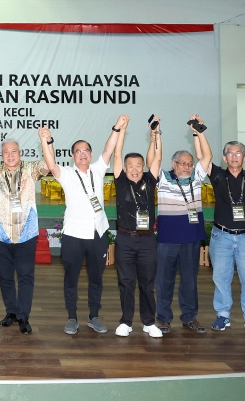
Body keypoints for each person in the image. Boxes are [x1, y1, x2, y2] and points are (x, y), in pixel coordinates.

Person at [41, 117, 121, 335]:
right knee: (71, 278)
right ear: (72, 155)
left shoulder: (98, 169)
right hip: (73, 236)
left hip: (97, 234)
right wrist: (46, 141)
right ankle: (72, 317)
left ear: (91, 154)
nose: (82, 153)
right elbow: (50, 164)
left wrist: (117, 127)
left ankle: (94, 316)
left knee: (97, 278)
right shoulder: (66, 174)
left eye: (86, 150)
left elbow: (109, 148)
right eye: (78, 151)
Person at [199, 113, 245, 336]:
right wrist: (199, 133)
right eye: (230, 153)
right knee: (220, 279)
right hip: (221, 236)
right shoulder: (218, 176)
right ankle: (223, 315)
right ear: (224, 158)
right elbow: (203, 155)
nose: (234, 156)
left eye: (238, 153)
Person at [0, 130, 51, 335]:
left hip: (26, 231)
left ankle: (23, 315)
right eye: (6, 152)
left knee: (26, 275)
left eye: (14, 151)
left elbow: (49, 164)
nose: (10, 155)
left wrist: (46, 141)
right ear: (1, 155)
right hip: (1, 231)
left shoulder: (30, 169)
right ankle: (11, 311)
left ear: (20, 152)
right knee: (5, 276)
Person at [153, 114, 211, 335]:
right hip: (167, 239)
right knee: (164, 282)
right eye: (182, 163)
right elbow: (154, 159)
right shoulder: (163, 178)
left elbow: (207, 155)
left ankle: (189, 317)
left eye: (189, 163)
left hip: (191, 239)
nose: (187, 166)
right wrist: (157, 134)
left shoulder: (197, 178)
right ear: (173, 164)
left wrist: (199, 132)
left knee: (189, 282)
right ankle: (164, 319)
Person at [111, 114, 163, 338]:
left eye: (138, 165)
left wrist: (156, 134)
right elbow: (117, 152)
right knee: (125, 281)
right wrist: (122, 130)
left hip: (147, 240)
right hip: (124, 238)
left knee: (147, 282)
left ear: (144, 167)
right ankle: (126, 321)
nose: (134, 169)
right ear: (124, 167)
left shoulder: (150, 180)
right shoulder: (120, 180)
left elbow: (158, 158)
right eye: (130, 165)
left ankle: (150, 322)